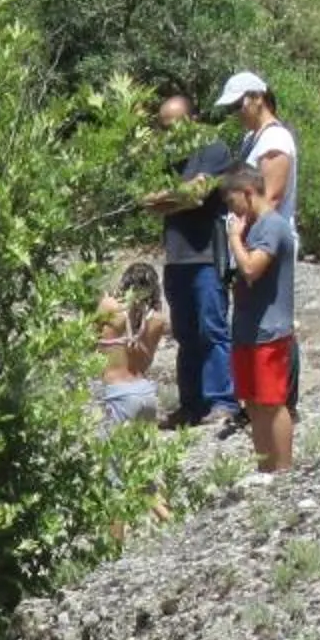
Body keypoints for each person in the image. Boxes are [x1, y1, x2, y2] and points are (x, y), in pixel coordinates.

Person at [143, 94, 241, 431]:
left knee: (212, 328)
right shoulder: (167, 159)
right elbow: (147, 199)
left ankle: (223, 401)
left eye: (177, 126)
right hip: (177, 257)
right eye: (165, 128)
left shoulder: (213, 150)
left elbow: (196, 194)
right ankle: (191, 404)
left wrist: (169, 199)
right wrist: (176, 198)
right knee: (185, 333)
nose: (171, 134)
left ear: (193, 120)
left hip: (206, 256)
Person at [221, 164, 299, 474]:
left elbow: (253, 268)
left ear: (248, 193)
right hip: (246, 328)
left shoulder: (272, 226)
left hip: (270, 330)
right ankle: (264, 468)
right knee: (252, 402)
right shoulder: (253, 227)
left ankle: (283, 469)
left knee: (271, 402)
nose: (231, 212)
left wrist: (234, 240)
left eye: (232, 203)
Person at [216, 70, 299, 234]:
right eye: (231, 108)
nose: (236, 113)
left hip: (267, 243)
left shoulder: (275, 139)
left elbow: (270, 199)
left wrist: (241, 234)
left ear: (258, 98)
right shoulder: (251, 139)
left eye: (238, 105)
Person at [94, 263, 168, 427]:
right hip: (146, 393)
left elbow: (90, 337)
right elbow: (146, 362)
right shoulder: (157, 319)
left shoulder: (109, 306)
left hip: (118, 392)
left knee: (110, 450)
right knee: (142, 451)